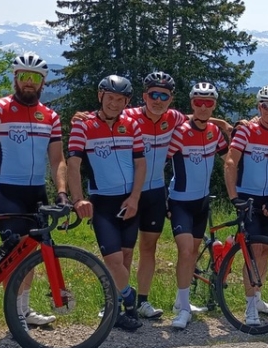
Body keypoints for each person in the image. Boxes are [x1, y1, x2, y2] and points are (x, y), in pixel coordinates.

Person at [72, 72, 232, 319]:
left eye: (164, 96)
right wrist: (83, 115)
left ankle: (143, 302)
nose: (158, 100)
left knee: (149, 248)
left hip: (155, 191)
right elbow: (106, 114)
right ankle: (118, 301)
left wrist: (220, 123)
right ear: (144, 96)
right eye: (153, 95)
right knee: (124, 251)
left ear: (171, 98)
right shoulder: (129, 116)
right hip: (127, 192)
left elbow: (197, 116)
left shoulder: (174, 117)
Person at [0, 53, 67, 330]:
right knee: (18, 256)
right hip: (6, 190)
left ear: (43, 82)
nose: (28, 82)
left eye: (34, 78)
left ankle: (23, 311)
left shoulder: (50, 116)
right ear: (15, 78)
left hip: (36, 192)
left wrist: (61, 191)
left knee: (33, 253)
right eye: (23, 76)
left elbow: (57, 159)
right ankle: (15, 316)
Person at [68, 75, 146, 331]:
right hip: (103, 201)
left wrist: (135, 198)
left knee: (124, 258)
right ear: (100, 96)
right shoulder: (84, 125)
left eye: (120, 99)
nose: (114, 103)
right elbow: (74, 164)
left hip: (130, 201)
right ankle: (129, 297)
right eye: (110, 97)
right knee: (113, 260)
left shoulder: (132, 125)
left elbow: (140, 163)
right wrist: (77, 198)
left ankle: (117, 309)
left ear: (127, 101)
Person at [224, 84, 268, 326]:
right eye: (265, 105)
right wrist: (234, 197)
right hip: (247, 197)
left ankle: (258, 298)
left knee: (265, 251)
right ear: (258, 106)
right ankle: (249, 307)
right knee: (251, 253)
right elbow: (230, 163)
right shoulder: (246, 131)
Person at [167, 82, 228, 329]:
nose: (203, 107)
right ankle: (183, 309)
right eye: (198, 102)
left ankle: (181, 300)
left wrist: (245, 129)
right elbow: (163, 161)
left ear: (214, 105)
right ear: (192, 104)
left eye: (209, 103)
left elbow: (229, 157)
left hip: (201, 202)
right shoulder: (180, 131)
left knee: (192, 255)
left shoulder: (214, 131)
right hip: (180, 201)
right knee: (185, 252)